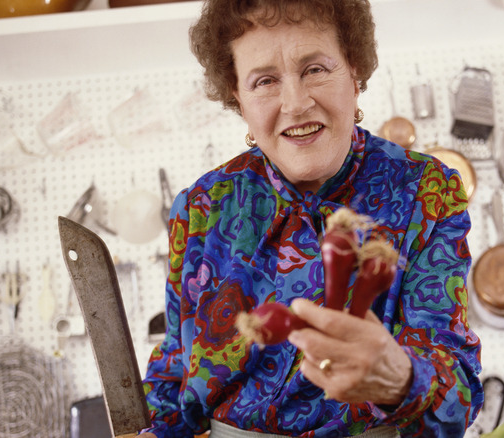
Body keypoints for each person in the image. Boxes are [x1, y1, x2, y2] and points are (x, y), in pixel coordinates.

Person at [137, 0, 483, 436]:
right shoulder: (201, 207)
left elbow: (459, 396)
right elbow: (174, 368)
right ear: (237, 96)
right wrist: (153, 428)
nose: (296, 103)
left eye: (315, 69)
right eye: (264, 80)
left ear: (354, 72)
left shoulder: (426, 190)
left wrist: (402, 380)